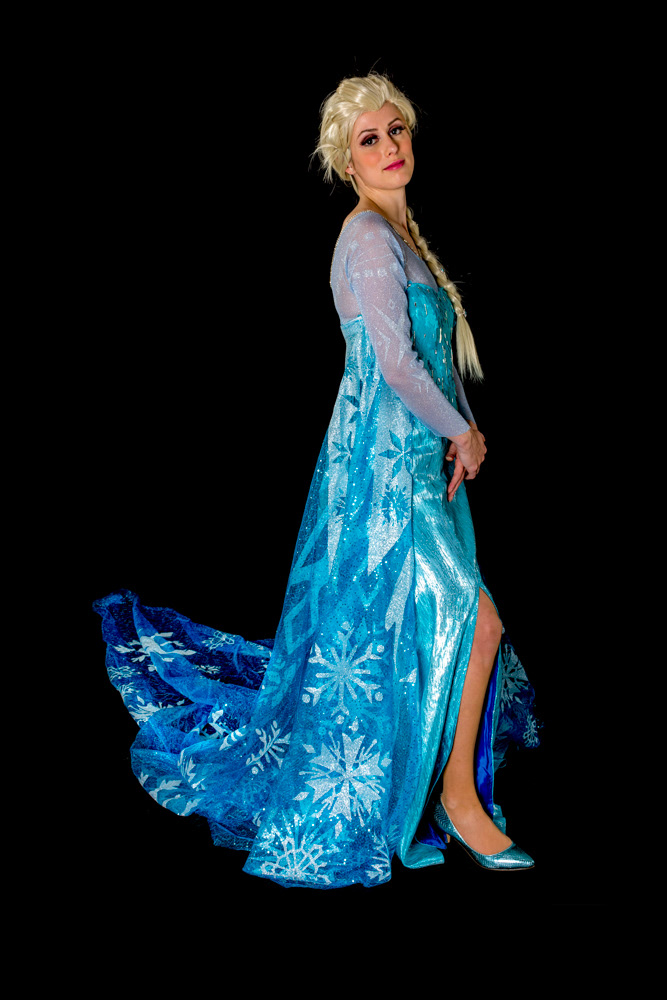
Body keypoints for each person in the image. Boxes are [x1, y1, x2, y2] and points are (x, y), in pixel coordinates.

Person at [95, 73, 539, 887]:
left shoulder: (401, 238)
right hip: (384, 474)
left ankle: (438, 785)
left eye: (395, 130)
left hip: (419, 466)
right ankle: (455, 798)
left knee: (430, 630)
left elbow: (436, 357)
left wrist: (462, 434)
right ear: (346, 161)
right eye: (369, 139)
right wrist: (462, 432)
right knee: (474, 624)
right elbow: (396, 365)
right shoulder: (365, 236)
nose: (388, 147)